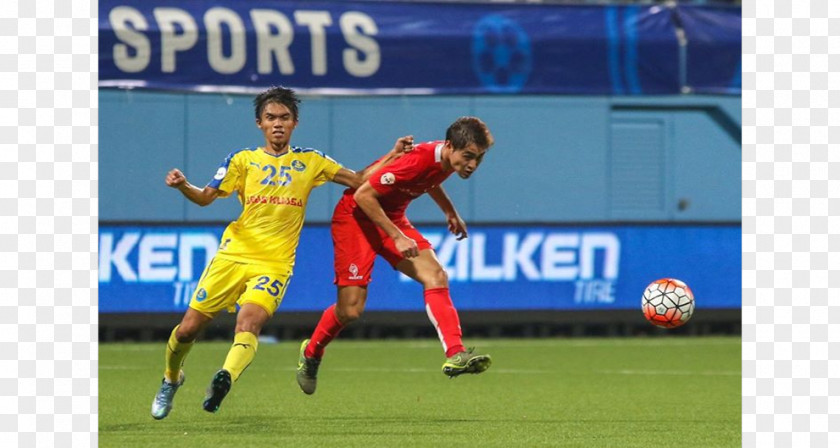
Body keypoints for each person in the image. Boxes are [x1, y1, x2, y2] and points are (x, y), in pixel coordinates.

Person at [150, 86, 412, 419]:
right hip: (233, 256)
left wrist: (393, 155)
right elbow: (205, 197)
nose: (278, 124)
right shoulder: (242, 160)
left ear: (295, 123)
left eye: (284, 118)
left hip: (275, 264)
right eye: (271, 118)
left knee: (249, 323)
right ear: (259, 123)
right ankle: (172, 378)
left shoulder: (311, 161)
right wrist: (184, 185)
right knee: (187, 329)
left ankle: (224, 378)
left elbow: (359, 179)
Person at [296, 116, 495, 395]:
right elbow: (363, 195)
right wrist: (397, 236)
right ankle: (313, 352)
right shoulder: (418, 159)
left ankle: (456, 353)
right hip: (355, 219)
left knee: (436, 275)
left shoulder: (448, 158)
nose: (473, 165)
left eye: (479, 158)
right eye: (469, 156)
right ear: (450, 146)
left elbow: (428, 181)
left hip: (391, 217)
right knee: (350, 309)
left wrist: (448, 210)